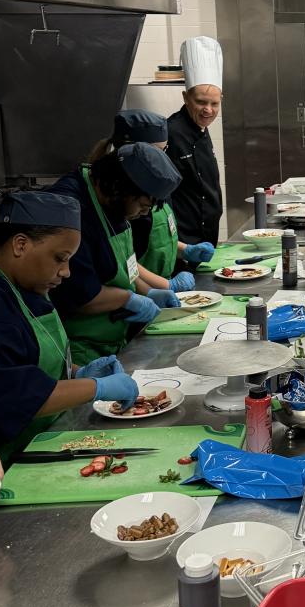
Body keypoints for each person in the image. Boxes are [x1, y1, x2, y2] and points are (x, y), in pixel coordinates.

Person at [0, 191, 138, 459]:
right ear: (20, 245)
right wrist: (95, 387)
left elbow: (24, 359)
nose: (66, 272)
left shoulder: (19, 284)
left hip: (38, 439)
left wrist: (76, 372)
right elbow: (14, 395)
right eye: (60, 258)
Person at [49, 144, 182, 365]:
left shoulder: (113, 204)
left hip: (114, 340)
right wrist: (129, 299)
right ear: (120, 187)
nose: (143, 213)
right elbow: (80, 295)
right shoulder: (71, 209)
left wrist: (148, 292)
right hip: (84, 351)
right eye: (142, 205)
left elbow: (124, 265)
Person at [91, 109, 215, 291]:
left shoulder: (155, 183)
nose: (163, 158)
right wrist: (162, 287)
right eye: (158, 151)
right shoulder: (119, 199)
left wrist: (185, 250)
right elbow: (124, 260)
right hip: (130, 293)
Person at [168, 36, 224, 247]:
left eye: (214, 103)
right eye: (200, 102)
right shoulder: (171, 133)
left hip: (206, 235)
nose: (208, 110)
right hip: (184, 240)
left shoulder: (202, 129)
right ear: (185, 98)